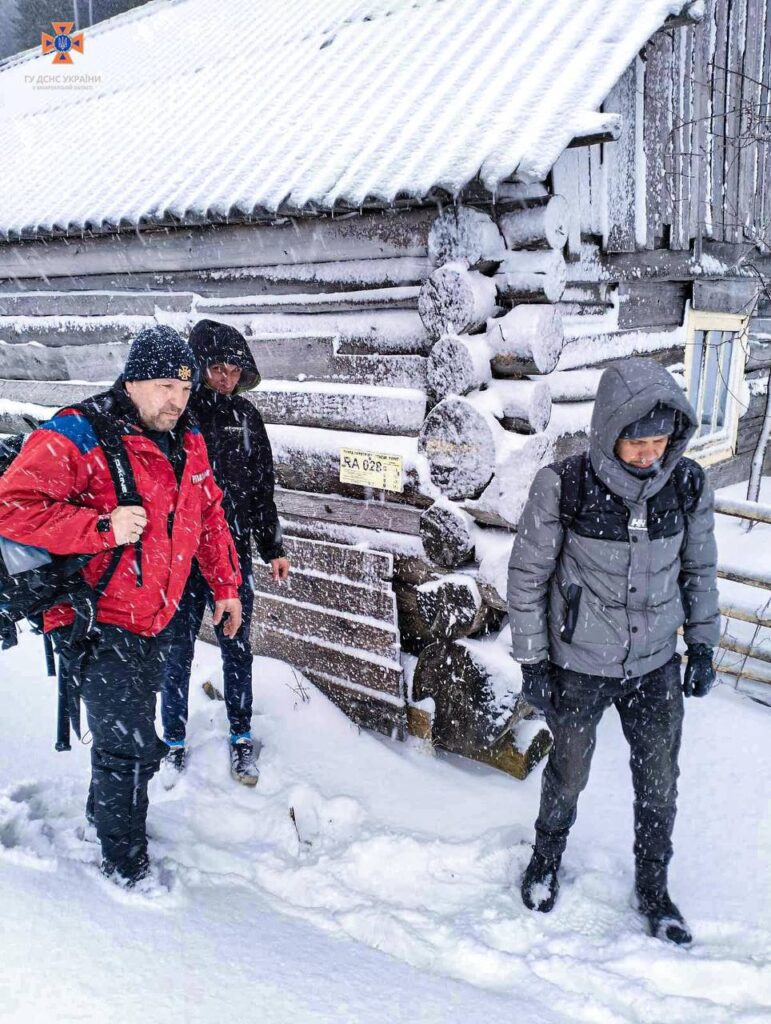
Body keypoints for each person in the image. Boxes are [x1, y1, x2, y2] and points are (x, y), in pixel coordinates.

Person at [0, 325, 242, 888]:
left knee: (127, 740)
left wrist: (226, 586)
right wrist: (100, 526)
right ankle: (126, 868)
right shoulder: (79, 434)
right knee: (130, 745)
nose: (175, 402)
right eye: (163, 387)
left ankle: (103, 818)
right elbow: (10, 506)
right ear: (132, 381)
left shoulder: (189, 441)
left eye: (184, 391)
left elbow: (208, 518)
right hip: (92, 616)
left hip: (154, 614)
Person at [507, 357, 719, 945]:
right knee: (568, 773)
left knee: (659, 781)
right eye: (637, 443)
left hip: (655, 667)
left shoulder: (686, 485)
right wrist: (533, 662)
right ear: (609, 434)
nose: (650, 453)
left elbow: (698, 568)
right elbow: (527, 576)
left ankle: (655, 889)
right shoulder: (565, 485)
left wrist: (702, 644)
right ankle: (546, 858)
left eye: (659, 441)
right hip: (580, 665)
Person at [160, 319, 288, 786]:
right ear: (198, 366)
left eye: (234, 370)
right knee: (176, 650)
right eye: (217, 367)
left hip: (231, 558)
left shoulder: (247, 418)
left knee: (237, 648)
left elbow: (261, 488)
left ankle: (240, 735)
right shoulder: (179, 417)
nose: (226, 378)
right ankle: (172, 739)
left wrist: (272, 545)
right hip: (178, 560)